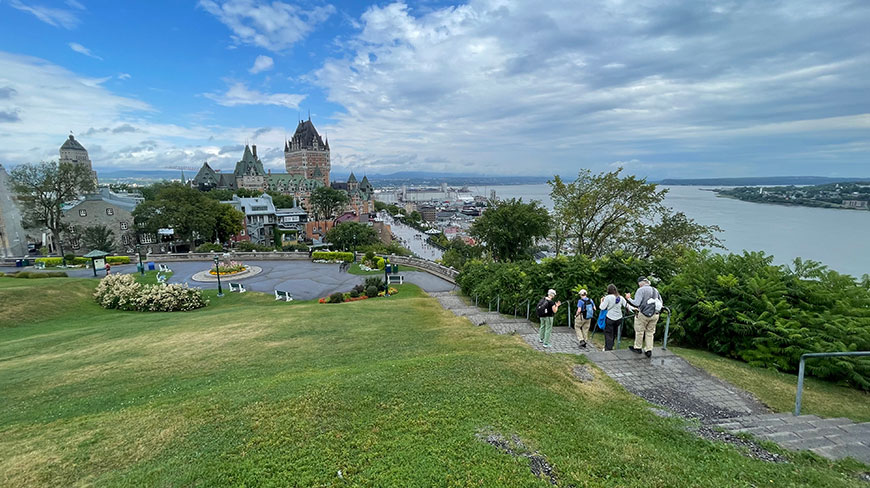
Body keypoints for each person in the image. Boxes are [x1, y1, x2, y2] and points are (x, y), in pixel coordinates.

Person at [625, 276, 663, 358]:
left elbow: (637, 303)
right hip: (655, 314)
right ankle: (648, 350)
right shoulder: (655, 290)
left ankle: (638, 348)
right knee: (650, 332)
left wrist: (629, 298)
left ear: (640, 283)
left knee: (639, 331)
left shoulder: (641, 290)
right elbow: (661, 302)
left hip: (643, 314)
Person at [599, 284, 628, 351]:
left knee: (608, 333)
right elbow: (627, 305)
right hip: (618, 318)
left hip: (610, 317)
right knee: (614, 333)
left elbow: (602, 307)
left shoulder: (608, 297)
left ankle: (608, 348)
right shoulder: (620, 297)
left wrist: (601, 301)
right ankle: (611, 345)